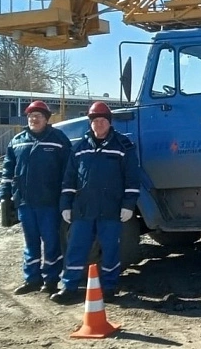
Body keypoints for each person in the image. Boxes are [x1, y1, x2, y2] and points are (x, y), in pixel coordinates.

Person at [50, 101, 141, 304]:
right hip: (83, 210)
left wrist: (128, 205)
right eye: (95, 120)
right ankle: (69, 287)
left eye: (102, 120)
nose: (99, 124)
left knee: (110, 250)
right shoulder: (79, 148)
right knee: (75, 249)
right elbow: (69, 179)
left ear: (109, 122)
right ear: (90, 123)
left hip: (111, 209)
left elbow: (132, 179)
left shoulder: (123, 146)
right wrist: (66, 205)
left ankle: (109, 288)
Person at [1, 100, 72, 295]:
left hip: (49, 203)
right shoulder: (17, 141)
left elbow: (69, 171)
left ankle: (51, 281)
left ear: (46, 119)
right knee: (30, 242)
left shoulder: (59, 139)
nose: (34, 119)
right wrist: (5, 195)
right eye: (31, 116)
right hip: (25, 202)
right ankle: (31, 279)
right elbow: (7, 170)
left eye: (38, 116)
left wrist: (66, 198)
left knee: (51, 243)